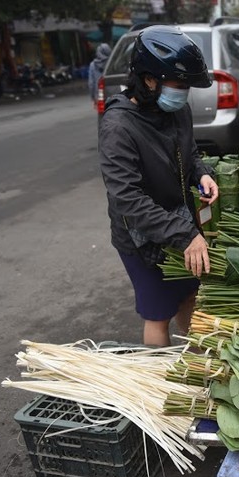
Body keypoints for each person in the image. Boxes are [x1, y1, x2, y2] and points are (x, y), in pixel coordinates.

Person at [98, 26, 220, 346]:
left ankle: (194, 363)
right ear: (150, 79)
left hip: (178, 222)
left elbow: (189, 154)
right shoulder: (118, 126)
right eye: (178, 85)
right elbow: (128, 200)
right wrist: (187, 235)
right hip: (141, 236)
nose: (183, 93)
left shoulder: (178, 111)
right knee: (158, 313)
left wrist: (202, 174)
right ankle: (163, 386)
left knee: (189, 296)